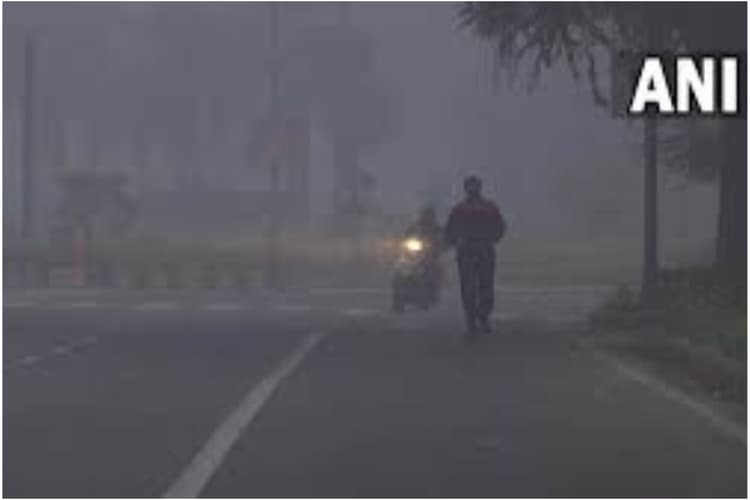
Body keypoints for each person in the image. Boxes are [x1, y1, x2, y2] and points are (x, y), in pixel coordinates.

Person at [444, 176, 507, 335]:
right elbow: (450, 230)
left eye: (474, 186)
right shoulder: (459, 209)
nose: (472, 189)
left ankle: (483, 315)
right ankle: (471, 320)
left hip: (484, 250)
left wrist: (492, 239)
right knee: (468, 288)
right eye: (470, 186)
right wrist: (454, 242)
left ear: (479, 187)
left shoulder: (489, 207)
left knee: (486, 287)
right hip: (467, 251)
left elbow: (500, 227)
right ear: (466, 188)